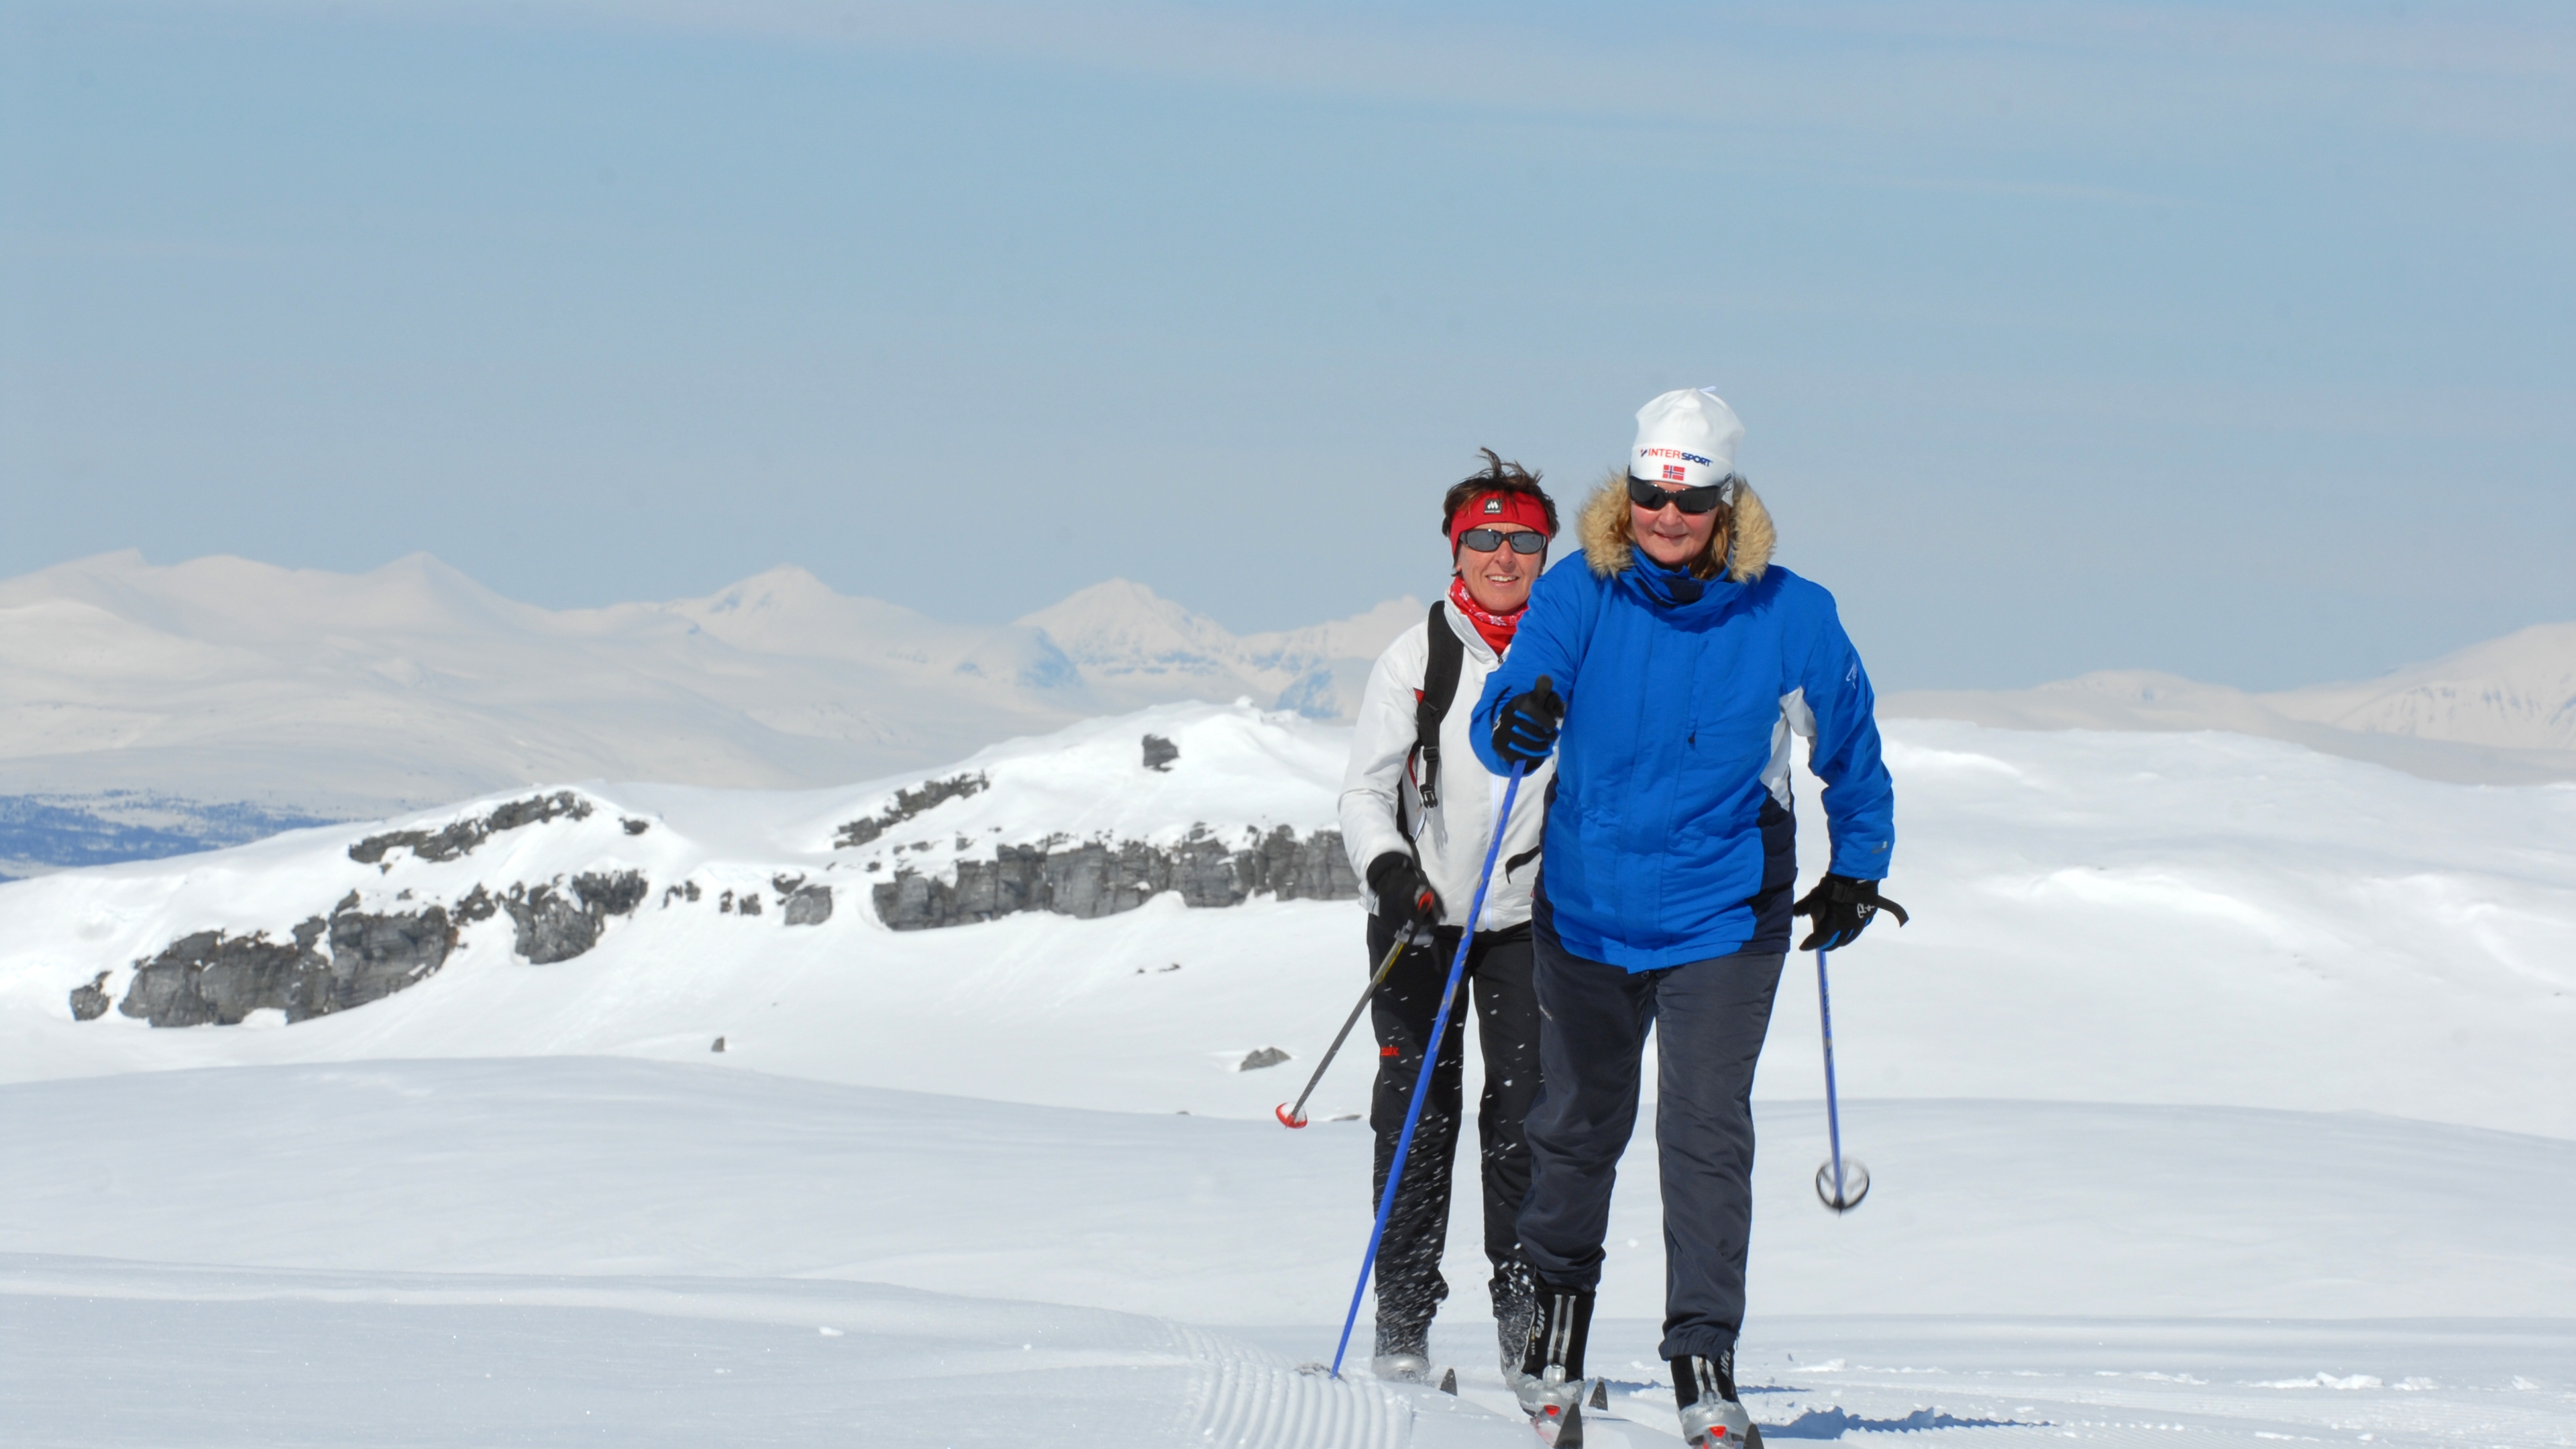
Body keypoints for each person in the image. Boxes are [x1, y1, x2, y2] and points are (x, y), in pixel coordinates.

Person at [1467, 390, 1904, 1447]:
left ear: (1726, 499)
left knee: (1705, 1136)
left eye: (1691, 498)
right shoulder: (1581, 592)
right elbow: (1507, 713)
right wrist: (1514, 721)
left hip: (1725, 912)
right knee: (1577, 1127)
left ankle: (1704, 1365)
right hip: (1589, 907)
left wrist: (1858, 867)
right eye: (1654, 494)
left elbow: (1850, 746)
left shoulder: (1791, 612)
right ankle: (1556, 1345)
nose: (1669, 517)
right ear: (1630, 492)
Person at [1337, 449, 1562, 1384]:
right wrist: (1393, 876)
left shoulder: (1569, 648)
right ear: (1454, 547)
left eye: (1522, 540)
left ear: (1546, 550)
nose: (1502, 557)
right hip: (1419, 923)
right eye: (1484, 539)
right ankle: (1402, 1326)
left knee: (1524, 1122)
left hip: (1526, 925)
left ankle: (1523, 1325)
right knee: (1417, 1118)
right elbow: (1363, 792)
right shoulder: (1417, 654)